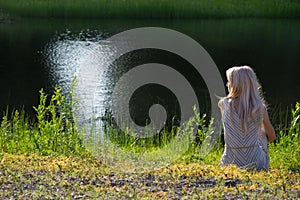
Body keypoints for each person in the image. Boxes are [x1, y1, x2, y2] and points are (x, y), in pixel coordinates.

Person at [218, 66, 276, 171]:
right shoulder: (260, 108)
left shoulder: (224, 104)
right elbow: (272, 137)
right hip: (257, 164)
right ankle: (252, 154)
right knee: (262, 132)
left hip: (230, 163)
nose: (227, 84)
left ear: (236, 85)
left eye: (229, 81)